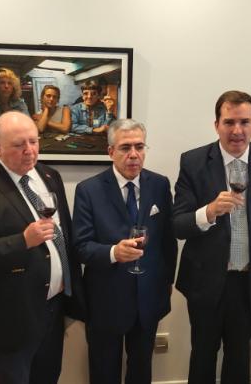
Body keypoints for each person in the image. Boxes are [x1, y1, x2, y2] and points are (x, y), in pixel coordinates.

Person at [0, 111, 85, 384]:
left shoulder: (49, 175)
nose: (29, 151)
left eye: (34, 141)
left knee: (48, 378)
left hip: (53, 307)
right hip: (9, 321)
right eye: (18, 144)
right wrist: (22, 241)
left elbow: (65, 236)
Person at [172, 90, 251, 384]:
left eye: (244, 122)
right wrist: (209, 212)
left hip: (249, 282)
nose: (237, 130)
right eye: (229, 122)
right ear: (217, 125)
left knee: (239, 356)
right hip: (204, 281)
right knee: (202, 354)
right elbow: (178, 225)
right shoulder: (193, 161)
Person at [72, 119, 178, 384]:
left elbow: (168, 240)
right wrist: (113, 253)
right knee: (104, 372)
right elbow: (81, 246)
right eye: (125, 147)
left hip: (148, 297)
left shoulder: (160, 184)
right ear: (110, 151)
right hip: (105, 298)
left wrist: (167, 282)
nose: (134, 154)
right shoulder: (88, 190)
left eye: (139, 147)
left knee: (141, 370)